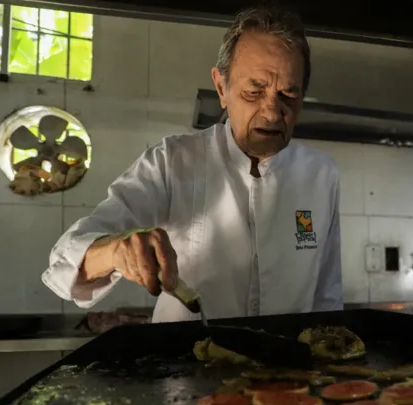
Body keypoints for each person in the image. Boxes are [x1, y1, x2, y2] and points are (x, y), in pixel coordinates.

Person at [42, 4, 343, 323]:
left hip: (289, 370)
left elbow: (327, 297)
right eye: (254, 92)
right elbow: (65, 263)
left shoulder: (321, 175)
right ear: (221, 88)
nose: (271, 112)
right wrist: (116, 250)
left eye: (288, 95)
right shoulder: (173, 162)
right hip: (184, 370)